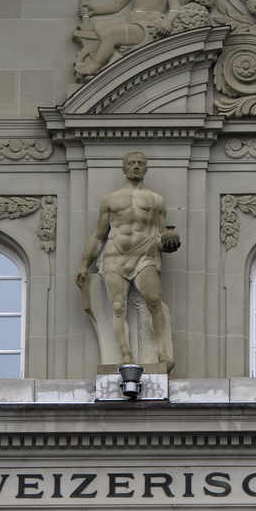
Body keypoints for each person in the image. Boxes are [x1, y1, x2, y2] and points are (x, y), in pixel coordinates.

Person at [76, 151, 180, 365]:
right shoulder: (111, 199)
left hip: (144, 256)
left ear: (146, 169)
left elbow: (160, 236)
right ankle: (126, 353)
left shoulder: (156, 200)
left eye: (141, 163)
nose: (136, 166)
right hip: (115, 257)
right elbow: (98, 235)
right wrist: (84, 264)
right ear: (123, 168)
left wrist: (170, 242)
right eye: (131, 163)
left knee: (153, 301)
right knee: (118, 307)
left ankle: (161, 351)